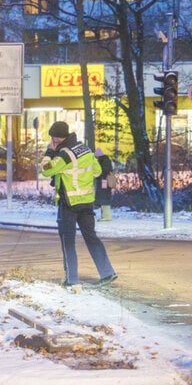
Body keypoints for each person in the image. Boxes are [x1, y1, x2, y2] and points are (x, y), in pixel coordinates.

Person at [41, 121, 117, 288]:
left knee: (68, 241)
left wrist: (48, 152)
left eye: (52, 138)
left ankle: (72, 279)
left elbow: (46, 169)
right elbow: (96, 171)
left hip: (69, 203)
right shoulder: (86, 150)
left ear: (55, 138)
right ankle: (107, 272)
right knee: (92, 238)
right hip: (88, 203)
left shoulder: (64, 155)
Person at [94, 148, 115, 221]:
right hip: (106, 181)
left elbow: (103, 172)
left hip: (104, 182)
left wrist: (97, 175)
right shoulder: (106, 160)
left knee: (103, 198)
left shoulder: (103, 161)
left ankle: (106, 216)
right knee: (104, 198)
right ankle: (105, 216)